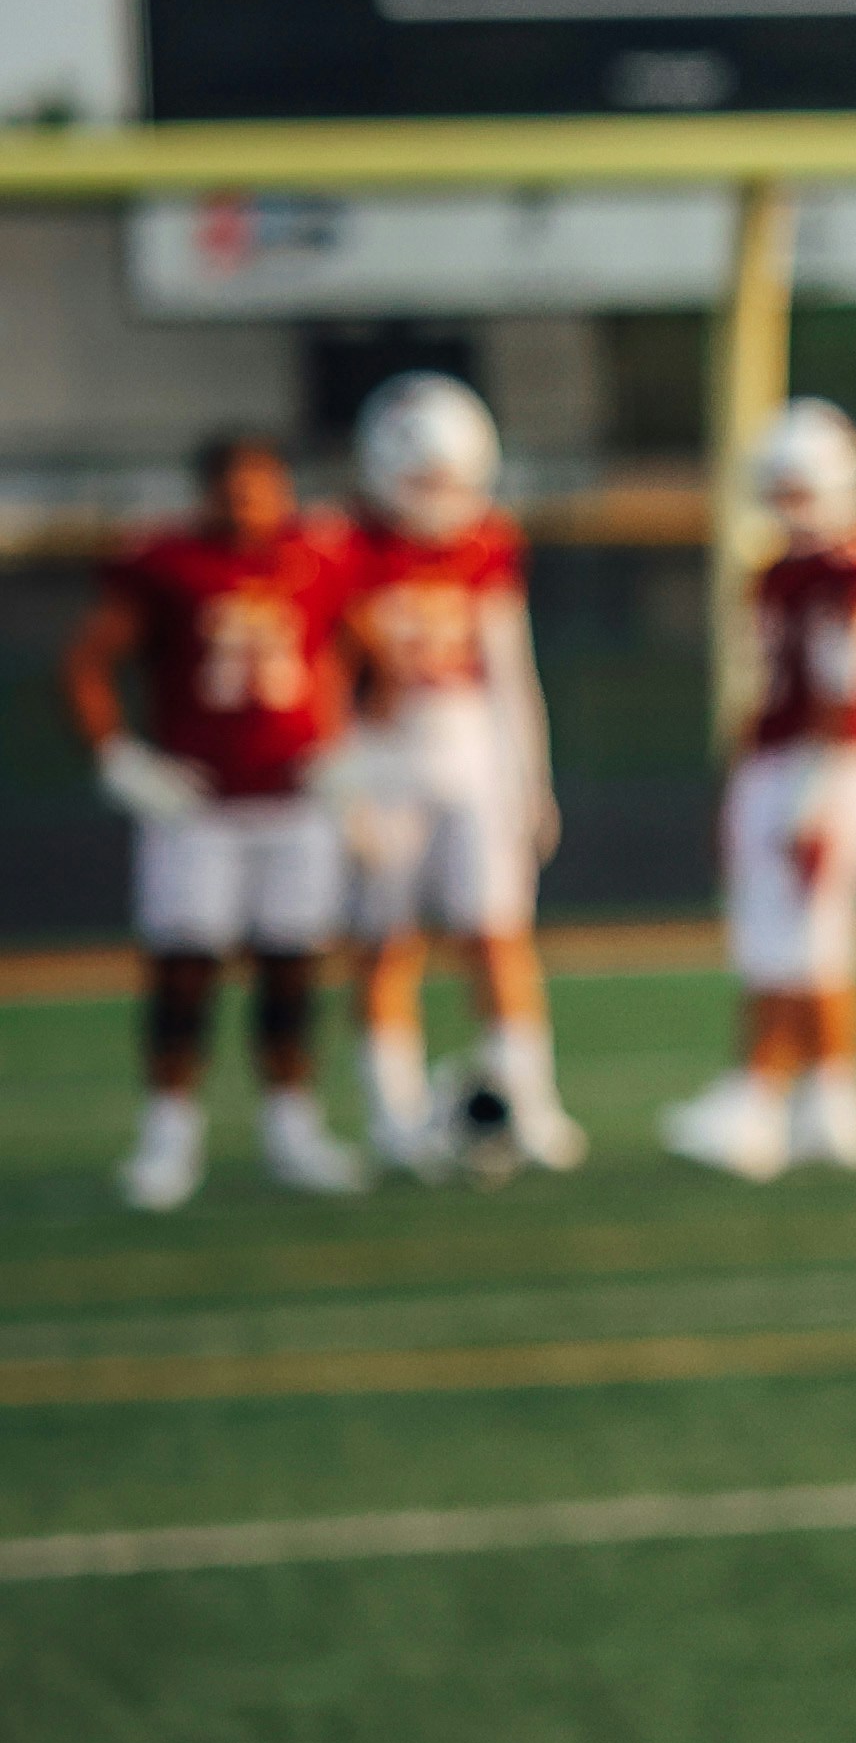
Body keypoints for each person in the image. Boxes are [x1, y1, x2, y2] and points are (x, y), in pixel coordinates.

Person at [64, 429, 372, 1206]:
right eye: (234, 491)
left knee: (292, 968)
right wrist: (118, 759)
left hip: (296, 798)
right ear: (205, 493)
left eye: (263, 488)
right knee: (184, 970)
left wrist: (356, 747)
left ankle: (292, 1130)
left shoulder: (320, 555)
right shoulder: (167, 563)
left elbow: (372, 652)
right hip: (199, 804)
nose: (249, 506)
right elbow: (86, 660)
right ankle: (169, 1136)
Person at [662, 399, 856, 1180]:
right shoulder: (783, 571)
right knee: (786, 940)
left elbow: (851, 686)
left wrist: (815, 793)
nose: (790, 509)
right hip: (785, 762)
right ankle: (822, 1104)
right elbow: (760, 694)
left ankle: (769, 1096)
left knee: (804, 941)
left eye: (803, 491)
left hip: (831, 766)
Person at [336, 372, 581, 1176]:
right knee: (384, 942)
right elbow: (323, 677)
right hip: (381, 754)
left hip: (469, 746)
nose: (437, 495)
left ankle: (531, 1103)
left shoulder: (487, 544)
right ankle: (395, 1118)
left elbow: (512, 669)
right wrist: (340, 784)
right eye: (422, 476)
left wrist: (531, 777)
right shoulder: (341, 548)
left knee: (497, 932)